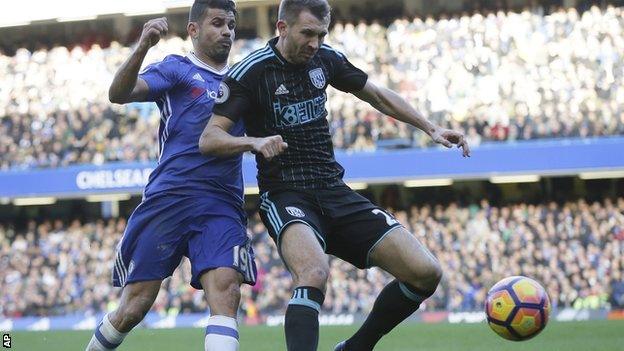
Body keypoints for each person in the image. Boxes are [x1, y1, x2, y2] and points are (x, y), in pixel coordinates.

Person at [199, 0, 470, 350]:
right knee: (313, 272)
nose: (315, 43)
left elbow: (374, 94)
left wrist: (429, 128)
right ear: (282, 28)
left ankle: (356, 347)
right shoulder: (251, 72)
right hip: (286, 194)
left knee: (425, 272)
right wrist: (254, 142)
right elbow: (209, 138)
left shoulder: (325, 58)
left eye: (321, 34)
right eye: (307, 33)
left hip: (333, 190)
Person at [85, 1, 256, 351]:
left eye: (231, 24)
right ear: (193, 30)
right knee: (135, 305)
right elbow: (118, 94)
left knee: (226, 289)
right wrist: (143, 45)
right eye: (217, 23)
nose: (227, 31)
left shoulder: (243, 82)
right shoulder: (177, 69)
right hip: (170, 198)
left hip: (221, 202)